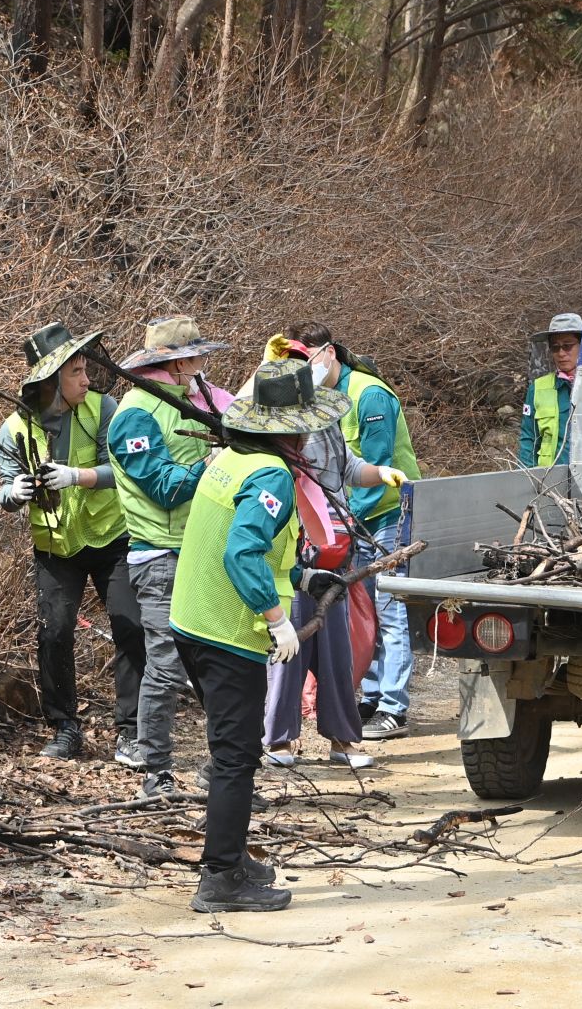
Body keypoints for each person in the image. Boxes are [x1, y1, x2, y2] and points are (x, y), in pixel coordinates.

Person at [171, 359, 351, 912]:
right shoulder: (270, 474)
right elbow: (241, 552)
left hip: (191, 623)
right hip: (227, 633)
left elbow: (248, 545)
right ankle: (220, 878)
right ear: (286, 429)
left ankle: (230, 854)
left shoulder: (231, 458)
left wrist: (301, 576)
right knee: (236, 756)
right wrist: (278, 618)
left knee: (232, 750)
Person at [0, 322, 146, 762]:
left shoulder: (106, 409)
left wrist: (76, 476)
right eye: (77, 372)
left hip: (110, 538)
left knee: (130, 626)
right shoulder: (14, 428)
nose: (87, 379)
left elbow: (124, 471)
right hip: (55, 546)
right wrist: (14, 493)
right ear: (51, 379)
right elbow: (4, 487)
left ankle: (131, 732)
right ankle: (64, 728)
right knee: (54, 633)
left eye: (85, 370)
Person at [106, 315, 231, 796]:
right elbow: (162, 487)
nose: (204, 362)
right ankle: (154, 771)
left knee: (215, 662)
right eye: (197, 355)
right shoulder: (137, 414)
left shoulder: (190, 400)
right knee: (166, 664)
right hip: (160, 558)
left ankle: (222, 769)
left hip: (201, 550)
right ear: (176, 362)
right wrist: (211, 464)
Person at [282, 323, 422, 740]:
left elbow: (368, 465)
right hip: (347, 522)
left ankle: (393, 706)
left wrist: (340, 525)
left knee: (391, 608)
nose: (305, 368)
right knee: (363, 609)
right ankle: (372, 695)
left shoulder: (367, 393)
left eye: (309, 358)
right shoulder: (315, 402)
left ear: (328, 353)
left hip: (386, 515)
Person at [519, 314, 582, 468]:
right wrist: (525, 480)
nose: (561, 353)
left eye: (567, 346)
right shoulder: (538, 388)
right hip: (549, 481)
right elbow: (529, 439)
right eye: (555, 347)